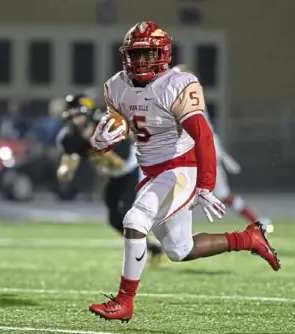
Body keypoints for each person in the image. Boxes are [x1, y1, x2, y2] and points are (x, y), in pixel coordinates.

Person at [88, 21, 281, 322]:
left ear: (162, 53)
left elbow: (202, 135)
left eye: (148, 54)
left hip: (180, 167)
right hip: (151, 170)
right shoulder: (117, 87)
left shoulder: (177, 84)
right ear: (125, 55)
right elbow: (118, 128)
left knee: (134, 219)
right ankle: (248, 238)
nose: (141, 62)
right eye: (135, 55)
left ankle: (124, 301)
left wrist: (205, 185)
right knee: (180, 250)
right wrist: (100, 140)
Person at [55, 94, 163, 262]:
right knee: (114, 219)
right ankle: (151, 247)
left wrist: (96, 146)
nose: (76, 121)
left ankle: (154, 242)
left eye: (79, 116)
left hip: (134, 167)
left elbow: (119, 162)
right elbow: (67, 161)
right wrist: (65, 171)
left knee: (127, 212)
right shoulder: (69, 136)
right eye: (73, 117)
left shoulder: (109, 125)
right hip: (114, 175)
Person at [173, 64, 273, 230]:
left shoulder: (187, 100)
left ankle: (258, 223)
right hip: (196, 154)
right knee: (177, 193)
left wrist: (221, 155)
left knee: (219, 195)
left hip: (201, 155)